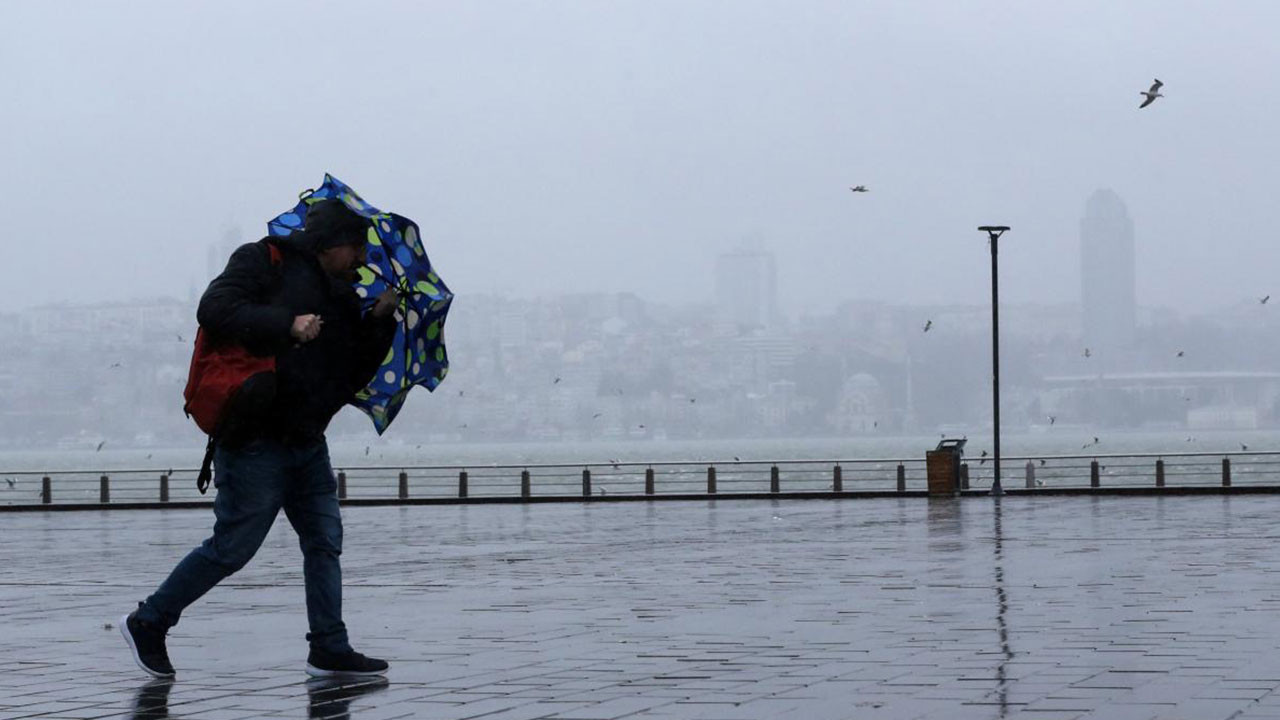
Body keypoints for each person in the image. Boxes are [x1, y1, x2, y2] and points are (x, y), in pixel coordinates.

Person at [121, 198, 399, 679]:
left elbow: (350, 374)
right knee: (233, 546)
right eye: (356, 248)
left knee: (324, 541)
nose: (361, 259)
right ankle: (150, 620)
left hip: (307, 440)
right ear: (331, 243)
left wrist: (377, 323)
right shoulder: (261, 260)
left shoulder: (342, 296)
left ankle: (329, 647)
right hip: (254, 438)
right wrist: (286, 324)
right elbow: (214, 309)